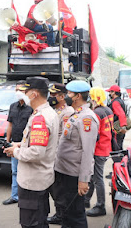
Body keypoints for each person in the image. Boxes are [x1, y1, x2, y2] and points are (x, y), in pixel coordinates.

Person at [4, 76, 59, 228]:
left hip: (32, 182)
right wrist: (18, 145)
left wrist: (15, 152)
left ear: (34, 94)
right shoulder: (47, 113)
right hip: (41, 179)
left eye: (25, 91)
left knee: (31, 224)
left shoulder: (40, 118)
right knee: (39, 221)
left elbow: (36, 153)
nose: (23, 94)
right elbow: (37, 144)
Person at [53, 80, 99, 228]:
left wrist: (84, 180)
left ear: (77, 96)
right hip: (64, 172)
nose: (66, 96)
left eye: (69, 93)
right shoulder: (76, 114)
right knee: (66, 212)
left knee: (76, 215)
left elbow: (87, 152)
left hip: (74, 175)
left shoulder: (87, 118)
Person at [47, 83, 74, 225]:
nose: (50, 97)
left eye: (53, 95)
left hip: (59, 157)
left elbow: (64, 138)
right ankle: (59, 214)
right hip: (52, 155)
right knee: (55, 189)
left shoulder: (67, 112)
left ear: (62, 97)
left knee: (60, 189)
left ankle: (63, 216)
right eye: (50, 94)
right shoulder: (56, 111)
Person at [2, 80, 33, 206]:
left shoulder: (32, 107)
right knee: (15, 171)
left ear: (26, 91)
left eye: (20, 90)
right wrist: (7, 141)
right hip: (14, 143)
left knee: (28, 171)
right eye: (16, 90)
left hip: (27, 145)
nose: (18, 93)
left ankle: (28, 196)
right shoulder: (13, 106)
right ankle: (15, 196)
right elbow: (10, 124)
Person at [85, 87, 113, 217]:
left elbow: (94, 134)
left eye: (91, 97)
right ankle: (86, 200)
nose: (90, 99)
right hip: (105, 147)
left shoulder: (96, 113)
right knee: (93, 176)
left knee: (98, 178)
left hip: (98, 149)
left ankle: (101, 205)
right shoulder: (107, 110)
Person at [106, 85, 127, 150]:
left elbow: (121, 114)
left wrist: (123, 126)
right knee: (119, 148)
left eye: (110, 92)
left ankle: (119, 160)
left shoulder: (115, 103)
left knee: (116, 150)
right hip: (119, 128)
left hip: (117, 129)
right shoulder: (120, 101)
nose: (109, 94)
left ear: (113, 92)